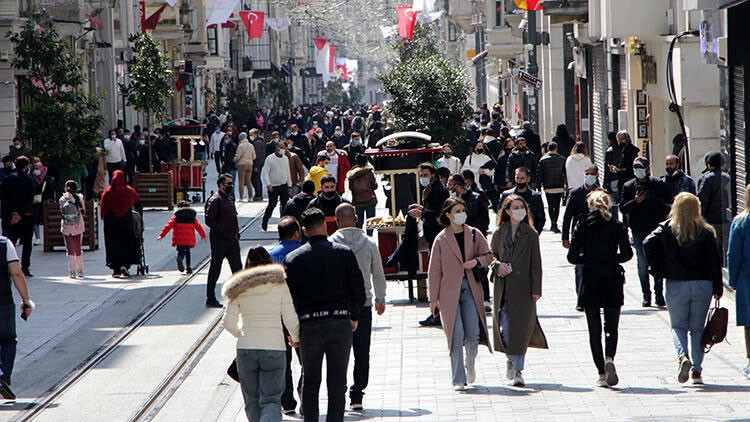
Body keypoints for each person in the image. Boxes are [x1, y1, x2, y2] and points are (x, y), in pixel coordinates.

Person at [285, 208, 366, 422]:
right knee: (337, 381)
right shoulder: (344, 253)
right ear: (325, 226)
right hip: (339, 322)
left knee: (311, 381)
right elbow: (358, 290)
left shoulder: (293, 259)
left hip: (309, 326)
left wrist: (291, 330)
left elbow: (288, 299)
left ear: (304, 231)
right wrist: (354, 316)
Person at [644, 193, 723, 385]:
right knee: (697, 329)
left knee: (678, 326)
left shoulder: (667, 229)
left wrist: (658, 268)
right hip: (702, 284)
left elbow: (647, 242)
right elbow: (715, 261)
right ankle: (697, 371)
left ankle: (682, 357)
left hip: (676, 283)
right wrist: (718, 286)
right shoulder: (706, 232)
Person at [222, 247, 300, 422]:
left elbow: (228, 323)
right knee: (271, 400)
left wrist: (242, 334)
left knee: (252, 401)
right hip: (274, 348)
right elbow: (290, 318)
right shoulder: (280, 285)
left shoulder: (238, 286)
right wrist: (296, 339)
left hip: (246, 349)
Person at [567, 191, 632, 387]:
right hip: (612, 278)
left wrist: (587, 259)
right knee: (611, 326)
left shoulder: (582, 224)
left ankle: (601, 373)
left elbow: (572, 257)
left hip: (590, 279)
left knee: (594, 329)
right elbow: (627, 254)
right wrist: (612, 258)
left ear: (589, 205)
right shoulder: (616, 225)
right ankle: (610, 356)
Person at [427, 197, 493, 391]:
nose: (461, 214)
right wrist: (433, 299)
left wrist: (476, 262)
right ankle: (458, 379)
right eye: (457, 211)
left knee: (472, 334)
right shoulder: (441, 239)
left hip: (471, 289)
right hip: (448, 292)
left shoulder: (473, 234)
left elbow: (489, 255)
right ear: (448, 214)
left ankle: (469, 364)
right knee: (455, 336)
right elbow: (434, 271)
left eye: (462, 210)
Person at [330, 203, 387, 409]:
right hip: (363, 305)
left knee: (338, 353)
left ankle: (339, 390)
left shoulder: (330, 244)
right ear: (356, 219)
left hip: (338, 308)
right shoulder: (369, 243)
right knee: (362, 351)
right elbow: (378, 273)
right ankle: (357, 394)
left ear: (337, 221)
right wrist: (380, 298)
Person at [490, 195, 548, 387]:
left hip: (524, 288)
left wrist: (536, 289)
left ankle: (518, 370)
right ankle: (510, 357)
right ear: (507, 211)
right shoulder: (499, 233)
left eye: (522, 207)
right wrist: (497, 266)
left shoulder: (531, 234)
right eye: (515, 207)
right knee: (506, 328)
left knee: (521, 330)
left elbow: (536, 263)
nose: (519, 211)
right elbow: (491, 256)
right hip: (504, 287)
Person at [620, 157, 670, 307]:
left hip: (656, 229)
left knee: (657, 261)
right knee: (642, 263)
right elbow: (623, 208)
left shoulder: (657, 184)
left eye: (641, 168)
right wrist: (635, 202)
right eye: (636, 168)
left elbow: (667, 205)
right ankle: (646, 295)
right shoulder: (628, 186)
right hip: (638, 230)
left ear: (648, 169)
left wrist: (652, 199)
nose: (638, 171)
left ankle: (659, 294)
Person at [267, 217, 304, 415]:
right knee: (306, 359)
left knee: (283, 361)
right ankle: (304, 389)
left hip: (277, 316)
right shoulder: (303, 252)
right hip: (301, 314)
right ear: (297, 233)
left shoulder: (270, 256)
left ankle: (287, 402)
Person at [562, 165, 602, 309]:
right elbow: (567, 216)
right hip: (579, 237)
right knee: (580, 268)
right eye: (587, 173)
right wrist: (565, 237)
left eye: (592, 174)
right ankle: (581, 299)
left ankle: (595, 298)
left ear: (597, 175)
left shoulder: (602, 193)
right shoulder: (576, 193)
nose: (589, 176)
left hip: (598, 237)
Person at [0, 232, 33, 400]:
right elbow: (17, 273)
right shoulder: (5, 244)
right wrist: (26, 299)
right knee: (8, 339)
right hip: (3, 301)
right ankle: (3, 378)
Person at [205, 174, 243, 308]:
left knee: (238, 270)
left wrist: (236, 233)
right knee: (215, 269)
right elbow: (209, 220)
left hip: (232, 240)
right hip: (219, 240)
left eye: (232, 183)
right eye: (228, 184)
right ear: (221, 185)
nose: (231, 186)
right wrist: (221, 230)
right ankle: (210, 298)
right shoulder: (215, 200)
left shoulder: (229, 199)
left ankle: (241, 297)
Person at [100, 170, 141, 278]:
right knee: (126, 243)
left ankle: (116, 269)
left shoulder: (107, 192)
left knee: (113, 244)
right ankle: (125, 264)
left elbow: (103, 208)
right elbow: (138, 203)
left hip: (111, 224)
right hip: (126, 223)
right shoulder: (129, 191)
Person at [728, 184, 750, 378]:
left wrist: (732, 279)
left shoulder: (740, 222)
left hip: (746, 276)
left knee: (749, 319)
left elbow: (733, 254)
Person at [698, 152, 731, 262]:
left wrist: (701, 219)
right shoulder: (728, 178)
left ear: (709, 165)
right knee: (726, 249)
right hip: (726, 220)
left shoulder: (707, 179)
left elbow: (703, 201)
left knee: (713, 250)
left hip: (711, 221)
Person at [157, 201, 207, 274]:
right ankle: (188, 267)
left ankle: (180, 257)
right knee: (188, 252)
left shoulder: (176, 217)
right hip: (189, 238)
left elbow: (168, 226)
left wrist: (162, 235)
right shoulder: (192, 218)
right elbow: (199, 227)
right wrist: (203, 236)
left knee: (181, 251)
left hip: (179, 239)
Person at [500, 167, 545, 233]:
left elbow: (541, 218)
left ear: (528, 179)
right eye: (517, 178)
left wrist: (534, 233)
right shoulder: (506, 195)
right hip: (510, 232)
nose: (519, 181)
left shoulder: (535, 197)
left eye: (522, 178)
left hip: (529, 233)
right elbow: (500, 214)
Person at [260, 141, 293, 232]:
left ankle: (284, 224)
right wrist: (268, 184)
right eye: (281, 147)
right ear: (276, 148)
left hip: (283, 185)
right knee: (272, 204)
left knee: (285, 205)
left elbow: (288, 172)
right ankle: (265, 220)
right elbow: (265, 172)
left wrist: (289, 186)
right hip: (273, 187)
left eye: (284, 148)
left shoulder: (285, 158)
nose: (282, 150)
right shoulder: (269, 158)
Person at [59, 180, 86, 279]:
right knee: (78, 249)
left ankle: (72, 271)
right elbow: (83, 211)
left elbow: (61, 212)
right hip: (78, 226)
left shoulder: (62, 199)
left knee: (70, 250)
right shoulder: (79, 198)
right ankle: (80, 270)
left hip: (67, 227)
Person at [537, 142, 566, 233]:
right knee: (557, 206)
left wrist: (538, 187)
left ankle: (552, 223)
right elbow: (565, 174)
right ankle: (555, 223)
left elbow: (539, 175)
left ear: (547, 149)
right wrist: (566, 185)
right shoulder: (562, 159)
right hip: (559, 186)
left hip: (548, 186)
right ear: (556, 148)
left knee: (550, 205)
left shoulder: (543, 160)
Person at [347, 154, 378, 235]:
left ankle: (359, 237)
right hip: (370, 200)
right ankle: (369, 237)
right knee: (370, 221)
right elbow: (374, 186)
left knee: (359, 221)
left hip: (357, 201)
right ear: (366, 161)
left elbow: (350, 188)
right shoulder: (369, 172)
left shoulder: (352, 173)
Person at [233, 132, 257, 202]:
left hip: (242, 165)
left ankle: (241, 198)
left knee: (241, 182)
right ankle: (250, 197)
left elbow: (238, 156)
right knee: (248, 182)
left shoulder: (240, 146)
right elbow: (254, 157)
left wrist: (234, 159)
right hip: (250, 164)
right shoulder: (251, 145)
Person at [220, 134, 238, 199]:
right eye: (225, 138)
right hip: (226, 167)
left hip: (232, 167)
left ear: (230, 138)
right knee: (226, 183)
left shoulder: (234, 146)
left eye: (227, 138)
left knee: (231, 183)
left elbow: (235, 156)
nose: (225, 140)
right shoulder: (225, 146)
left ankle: (232, 197)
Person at [251, 129, 266, 201]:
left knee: (255, 179)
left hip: (257, 164)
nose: (251, 136)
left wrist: (256, 165)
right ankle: (259, 194)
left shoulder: (257, 143)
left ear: (256, 134)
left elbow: (258, 155)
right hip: (260, 163)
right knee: (257, 178)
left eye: (252, 134)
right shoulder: (260, 141)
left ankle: (258, 194)